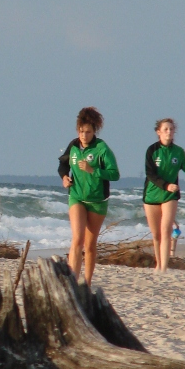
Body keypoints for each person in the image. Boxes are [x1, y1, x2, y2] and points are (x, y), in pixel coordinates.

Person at [58, 107, 120, 284]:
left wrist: (93, 170)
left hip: (97, 201)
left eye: (88, 132)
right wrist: (64, 177)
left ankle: (87, 283)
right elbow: (63, 165)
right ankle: (72, 282)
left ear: (94, 132)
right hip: (77, 197)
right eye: (81, 132)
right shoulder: (73, 146)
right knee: (77, 239)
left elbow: (115, 174)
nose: (84, 136)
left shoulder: (102, 148)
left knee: (90, 245)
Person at [142, 118, 185, 272]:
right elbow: (150, 174)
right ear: (159, 132)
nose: (169, 132)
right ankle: (158, 264)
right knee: (156, 235)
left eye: (171, 129)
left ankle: (164, 268)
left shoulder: (178, 152)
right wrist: (165, 185)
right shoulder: (152, 150)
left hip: (170, 196)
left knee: (166, 231)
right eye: (165, 129)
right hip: (151, 195)